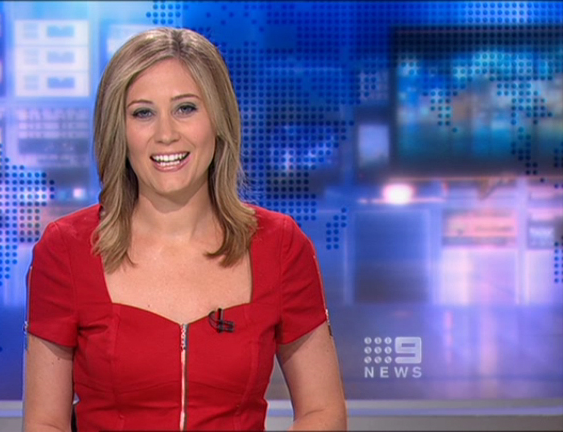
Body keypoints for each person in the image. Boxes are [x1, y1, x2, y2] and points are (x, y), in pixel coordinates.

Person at [23, 27, 347, 431]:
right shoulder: (66, 249)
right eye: (143, 113)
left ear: (218, 119)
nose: (166, 134)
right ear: (119, 129)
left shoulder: (279, 245)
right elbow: (45, 423)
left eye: (186, 108)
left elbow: (323, 412)